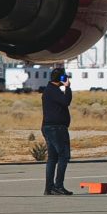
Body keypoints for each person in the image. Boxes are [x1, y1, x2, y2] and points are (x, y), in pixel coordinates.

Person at [40, 66, 74, 195]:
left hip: (49, 127)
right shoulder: (54, 91)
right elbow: (66, 101)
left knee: (52, 158)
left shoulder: (49, 90)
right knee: (63, 156)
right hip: (56, 128)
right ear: (61, 78)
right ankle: (58, 185)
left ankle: (49, 188)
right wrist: (68, 87)